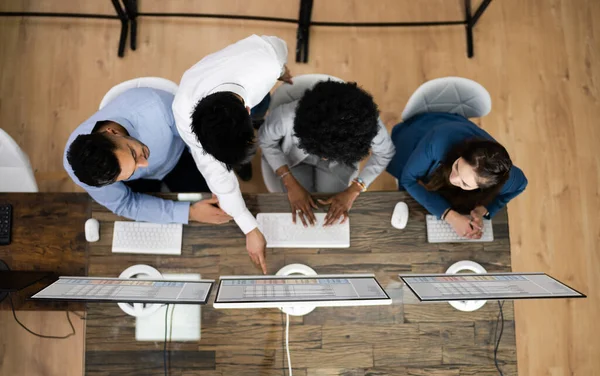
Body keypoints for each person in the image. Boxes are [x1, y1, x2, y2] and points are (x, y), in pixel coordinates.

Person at [173, 34, 293, 274]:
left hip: (259, 82)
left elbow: (280, 49)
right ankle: (238, 159)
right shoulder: (183, 112)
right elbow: (217, 177)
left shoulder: (268, 59)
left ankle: (241, 153)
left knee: (263, 107)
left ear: (246, 112)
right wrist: (249, 227)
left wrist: (280, 70)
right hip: (231, 86)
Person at [64, 87, 232, 226]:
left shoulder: (157, 109)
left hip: (178, 157)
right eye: (131, 171)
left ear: (113, 132)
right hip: (136, 184)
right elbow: (125, 203)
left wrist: (214, 175)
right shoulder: (85, 170)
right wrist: (190, 213)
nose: (144, 164)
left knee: (216, 204)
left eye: (133, 153)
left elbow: (199, 139)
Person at [259, 80, 395, 226]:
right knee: (299, 205)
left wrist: (354, 190)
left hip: (340, 163)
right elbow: (266, 141)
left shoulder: (369, 126)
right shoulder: (285, 116)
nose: (323, 158)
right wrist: (289, 183)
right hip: (295, 159)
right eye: (323, 154)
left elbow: (385, 154)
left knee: (328, 205)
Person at [386, 112, 527, 238]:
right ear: (462, 153)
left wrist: (484, 209)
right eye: (457, 167)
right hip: (421, 137)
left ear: (484, 187)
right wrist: (450, 216)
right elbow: (408, 179)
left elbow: (521, 185)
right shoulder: (438, 142)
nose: (453, 178)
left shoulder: (506, 178)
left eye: (465, 183)